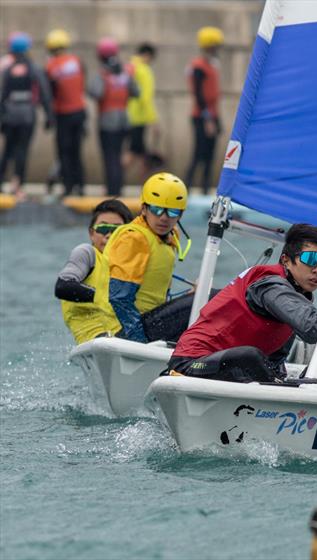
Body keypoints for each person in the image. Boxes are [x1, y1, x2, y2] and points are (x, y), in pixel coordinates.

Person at [167, 223, 317, 384]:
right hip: (190, 366)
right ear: (286, 261)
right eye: (311, 259)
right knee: (251, 356)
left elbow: (276, 358)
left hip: (226, 368)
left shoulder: (296, 297)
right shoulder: (271, 286)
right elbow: (311, 327)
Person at [105, 172, 189, 343]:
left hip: (149, 322)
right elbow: (119, 298)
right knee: (207, 299)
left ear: (181, 215)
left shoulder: (170, 236)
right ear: (143, 208)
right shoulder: (134, 238)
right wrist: (139, 342)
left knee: (206, 299)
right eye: (157, 210)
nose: (164, 218)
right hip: (126, 329)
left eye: (172, 212)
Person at [55, 200, 134, 344]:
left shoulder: (133, 264)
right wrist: (101, 297)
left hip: (130, 335)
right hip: (97, 341)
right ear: (91, 233)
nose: (109, 235)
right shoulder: (86, 253)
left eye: (117, 230)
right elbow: (62, 286)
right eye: (103, 228)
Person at [0, 32, 53, 198]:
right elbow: (44, 91)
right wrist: (49, 115)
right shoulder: (33, 68)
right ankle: (18, 185)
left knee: (8, 150)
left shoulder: (8, 69)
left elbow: (2, 95)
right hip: (27, 116)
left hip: (10, 115)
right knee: (22, 150)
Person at [87, 37, 138, 197]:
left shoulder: (103, 73)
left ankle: (112, 190)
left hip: (107, 121)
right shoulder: (125, 73)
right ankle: (118, 188)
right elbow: (136, 92)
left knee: (110, 157)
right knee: (118, 156)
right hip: (124, 119)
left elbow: (96, 92)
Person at [45, 28, 86, 197]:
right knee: (77, 151)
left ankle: (68, 187)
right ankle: (80, 185)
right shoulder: (76, 61)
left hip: (63, 114)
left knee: (64, 152)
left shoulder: (51, 66)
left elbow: (50, 93)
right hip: (79, 111)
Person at [184, 26, 223, 194]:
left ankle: (206, 190)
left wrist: (216, 119)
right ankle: (187, 186)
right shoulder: (198, 66)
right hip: (202, 116)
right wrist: (207, 119)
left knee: (210, 156)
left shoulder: (212, 64)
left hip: (212, 115)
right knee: (199, 154)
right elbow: (199, 94)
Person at [125, 43, 159, 182]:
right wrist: (154, 120)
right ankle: (115, 180)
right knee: (134, 153)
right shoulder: (144, 70)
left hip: (127, 116)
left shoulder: (129, 67)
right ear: (147, 55)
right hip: (138, 118)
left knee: (141, 154)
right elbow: (145, 98)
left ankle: (142, 185)